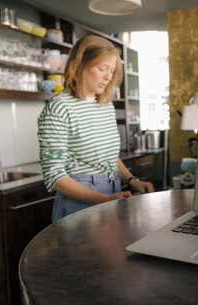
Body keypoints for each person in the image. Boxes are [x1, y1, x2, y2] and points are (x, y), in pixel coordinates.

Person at [38, 35, 154, 222]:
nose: (108, 77)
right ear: (81, 65)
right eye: (102, 69)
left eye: (112, 70)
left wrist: (132, 181)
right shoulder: (60, 107)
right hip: (80, 203)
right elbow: (55, 176)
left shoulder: (105, 104)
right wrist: (104, 200)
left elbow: (109, 156)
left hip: (111, 192)